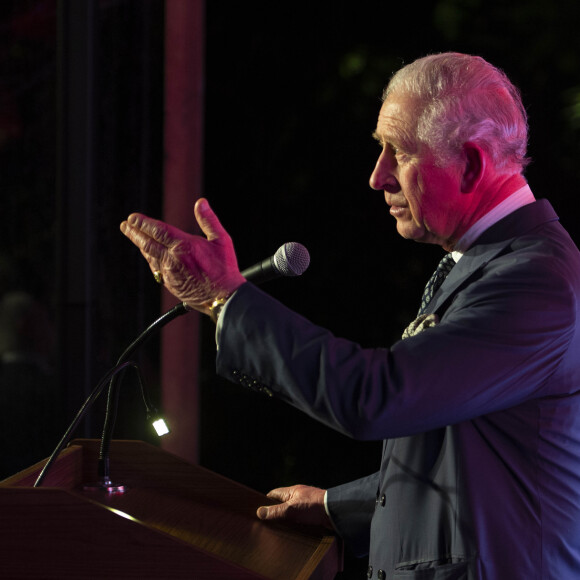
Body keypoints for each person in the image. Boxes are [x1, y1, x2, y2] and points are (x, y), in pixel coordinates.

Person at [120, 53, 580, 579]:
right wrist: (340, 508)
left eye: (398, 152)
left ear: (471, 165)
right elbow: (469, 461)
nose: (377, 176)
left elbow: (379, 396)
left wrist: (226, 298)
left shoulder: (534, 279)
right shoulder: (493, 261)